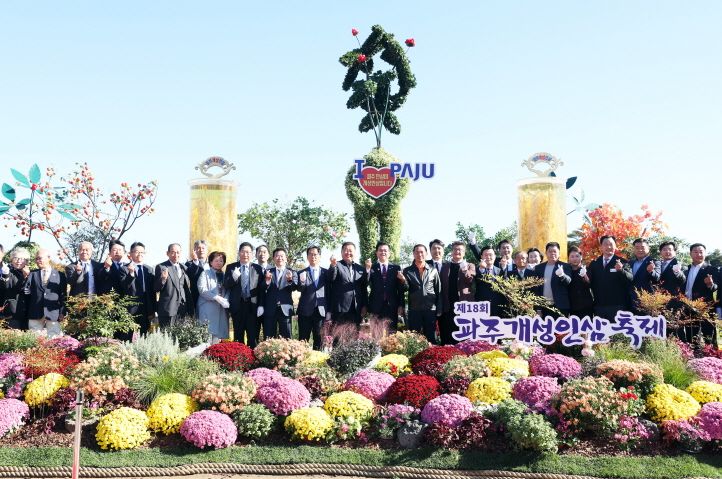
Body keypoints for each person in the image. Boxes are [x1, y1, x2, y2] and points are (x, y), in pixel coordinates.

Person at [224, 242, 264, 347]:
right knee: (238, 336)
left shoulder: (257, 268)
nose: (245, 254)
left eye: (248, 252)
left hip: (252, 307)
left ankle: (253, 361)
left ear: (252, 254)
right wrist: (234, 277)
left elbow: (261, 289)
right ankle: (240, 361)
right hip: (237, 306)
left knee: (253, 337)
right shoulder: (231, 267)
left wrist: (260, 305)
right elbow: (226, 285)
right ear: (239, 252)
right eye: (243, 251)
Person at [401, 244, 442, 343]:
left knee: (431, 337)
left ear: (426, 253)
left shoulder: (433, 270)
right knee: (414, 338)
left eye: (422, 252)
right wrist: (403, 281)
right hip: (414, 309)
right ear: (413, 254)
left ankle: (432, 357)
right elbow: (405, 289)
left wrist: (439, 308)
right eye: (417, 252)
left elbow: (438, 290)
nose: (419, 254)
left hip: (430, 309)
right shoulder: (407, 270)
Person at [587, 235, 633, 320]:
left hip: (618, 307)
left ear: (615, 246)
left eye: (611, 244)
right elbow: (589, 282)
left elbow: (630, 279)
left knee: (617, 333)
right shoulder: (594, 263)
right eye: (605, 244)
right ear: (601, 247)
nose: (608, 247)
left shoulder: (623, 262)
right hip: (599, 307)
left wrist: (621, 270)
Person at [438, 240, 474, 345]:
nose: (457, 251)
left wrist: (464, 268)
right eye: (455, 249)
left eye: (460, 250)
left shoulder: (470, 266)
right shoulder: (445, 266)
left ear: (464, 252)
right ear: (451, 251)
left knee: (463, 335)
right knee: (448, 334)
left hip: (463, 305)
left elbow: (469, 280)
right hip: (448, 305)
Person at [25, 249, 67, 337]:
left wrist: (62, 312)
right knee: (33, 339)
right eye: (36, 259)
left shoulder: (60, 275)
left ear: (48, 258)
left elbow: (63, 295)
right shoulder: (32, 274)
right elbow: (25, 291)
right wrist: (25, 276)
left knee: (54, 340)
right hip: (35, 312)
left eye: (40, 258)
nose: (38, 260)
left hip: (53, 312)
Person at [258, 247, 297, 339]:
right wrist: (267, 281)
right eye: (277, 256)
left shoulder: (292, 272)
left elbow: (295, 287)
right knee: (268, 337)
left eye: (282, 256)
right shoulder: (267, 272)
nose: (279, 258)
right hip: (270, 308)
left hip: (285, 309)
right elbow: (262, 287)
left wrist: (290, 280)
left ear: (286, 258)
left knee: (287, 337)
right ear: (273, 258)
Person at [682, 243, 718, 342]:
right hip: (688, 306)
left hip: (704, 307)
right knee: (691, 334)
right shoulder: (686, 269)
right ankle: (693, 355)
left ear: (705, 253)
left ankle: (709, 356)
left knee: (708, 335)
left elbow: (716, 287)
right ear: (690, 254)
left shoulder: (711, 269)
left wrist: (710, 284)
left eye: (701, 252)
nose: (699, 254)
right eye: (695, 252)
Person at [297, 246, 331, 350]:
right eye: (310, 254)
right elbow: (299, 289)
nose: (313, 256)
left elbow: (329, 292)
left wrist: (329, 311)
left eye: (315, 254)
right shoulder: (301, 273)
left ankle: (318, 362)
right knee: (303, 339)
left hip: (320, 311)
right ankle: (301, 363)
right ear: (307, 257)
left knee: (319, 340)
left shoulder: (326, 273)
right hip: (305, 311)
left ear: (319, 256)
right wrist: (302, 282)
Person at [366, 242, 405, 330]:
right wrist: (367, 270)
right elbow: (365, 283)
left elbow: (400, 289)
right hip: (375, 306)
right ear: (376, 253)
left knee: (392, 334)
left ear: (389, 253)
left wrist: (401, 305)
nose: (383, 252)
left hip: (392, 306)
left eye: (385, 251)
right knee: (376, 334)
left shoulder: (396, 268)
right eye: (380, 250)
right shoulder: (372, 267)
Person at [328, 242, 368, 325]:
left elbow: (363, 288)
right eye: (345, 250)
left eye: (350, 250)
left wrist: (364, 305)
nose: (348, 253)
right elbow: (331, 278)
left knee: (354, 336)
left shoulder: (360, 268)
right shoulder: (337, 265)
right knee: (339, 336)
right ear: (341, 252)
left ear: (355, 253)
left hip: (356, 309)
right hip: (340, 310)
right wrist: (332, 266)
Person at [154, 243, 192, 329]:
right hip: (168, 309)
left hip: (182, 308)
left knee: (181, 339)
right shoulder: (161, 267)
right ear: (167, 253)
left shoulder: (184, 267)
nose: (176, 255)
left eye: (178, 252)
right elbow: (156, 288)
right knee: (168, 338)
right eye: (173, 252)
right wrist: (163, 279)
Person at [529, 242, 572, 316]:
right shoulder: (539, 268)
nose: (552, 253)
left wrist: (562, 275)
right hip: (544, 307)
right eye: (550, 251)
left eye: (555, 251)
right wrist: (538, 308)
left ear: (559, 253)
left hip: (561, 307)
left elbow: (568, 281)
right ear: (546, 253)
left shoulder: (565, 266)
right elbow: (537, 289)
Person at [197, 251, 230, 344]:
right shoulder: (205, 273)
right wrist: (216, 297)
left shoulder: (224, 275)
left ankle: (214, 356)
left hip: (221, 309)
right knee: (206, 335)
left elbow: (228, 289)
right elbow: (202, 289)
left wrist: (225, 299)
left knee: (217, 337)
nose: (219, 263)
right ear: (211, 262)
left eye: (221, 261)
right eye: (216, 260)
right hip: (207, 308)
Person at [124, 241, 156, 337]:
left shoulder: (149, 269)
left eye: (142, 252)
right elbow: (125, 287)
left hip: (147, 308)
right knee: (127, 337)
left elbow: (152, 291)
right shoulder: (124, 268)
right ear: (131, 253)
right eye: (137, 252)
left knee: (146, 336)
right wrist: (131, 274)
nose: (139, 254)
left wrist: (153, 308)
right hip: (131, 309)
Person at [1, 247, 31, 330]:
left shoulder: (31, 273)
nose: (19, 261)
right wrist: (23, 277)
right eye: (16, 258)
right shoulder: (7, 272)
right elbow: (10, 289)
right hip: (12, 313)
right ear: (11, 259)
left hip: (28, 312)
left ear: (27, 261)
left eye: (22, 259)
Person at [474, 245, 507, 316]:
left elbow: (506, 285)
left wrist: (504, 268)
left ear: (495, 256)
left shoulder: (500, 271)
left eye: (490, 255)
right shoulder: (476, 270)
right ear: (481, 257)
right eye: (485, 255)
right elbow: (477, 282)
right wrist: (482, 269)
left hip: (498, 307)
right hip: (481, 307)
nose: (488, 257)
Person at [567, 246, 594, 318]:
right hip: (572, 307)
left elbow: (591, 285)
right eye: (572, 256)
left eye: (577, 256)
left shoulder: (587, 269)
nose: (575, 259)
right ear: (568, 258)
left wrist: (585, 275)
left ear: (581, 257)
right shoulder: (566, 271)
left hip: (586, 306)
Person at [186, 239, 209, 317]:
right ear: (194, 250)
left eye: (203, 248)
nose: (201, 250)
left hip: (210, 300)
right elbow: (191, 277)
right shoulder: (188, 264)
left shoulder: (213, 264)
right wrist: (195, 261)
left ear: (207, 250)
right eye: (198, 248)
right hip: (195, 299)